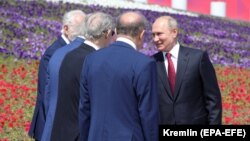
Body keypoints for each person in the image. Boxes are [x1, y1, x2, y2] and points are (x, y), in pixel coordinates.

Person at [79, 11, 159, 141]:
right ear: (142, 34)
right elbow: (148, 114)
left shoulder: (91, 59)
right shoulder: (144, 64)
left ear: (116, 30)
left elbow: (84, 108)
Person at [41, 12, 114, 141]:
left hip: (54, 130)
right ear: (107, 33)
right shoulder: (95, 60)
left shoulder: (61, 53)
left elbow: (48, 95)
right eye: (113, 34)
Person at [151, 16, 222, 125]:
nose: (155, 39)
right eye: (153, 35)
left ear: (174, 32)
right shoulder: (151, 63)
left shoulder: (197, 58)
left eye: (159, 34)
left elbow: (213, 100)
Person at [29, 9, 86, 141]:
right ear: (66, 29)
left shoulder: (73, 50)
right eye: (80, 30)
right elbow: (47, 92)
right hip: (49, 124)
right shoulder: (55, 52)